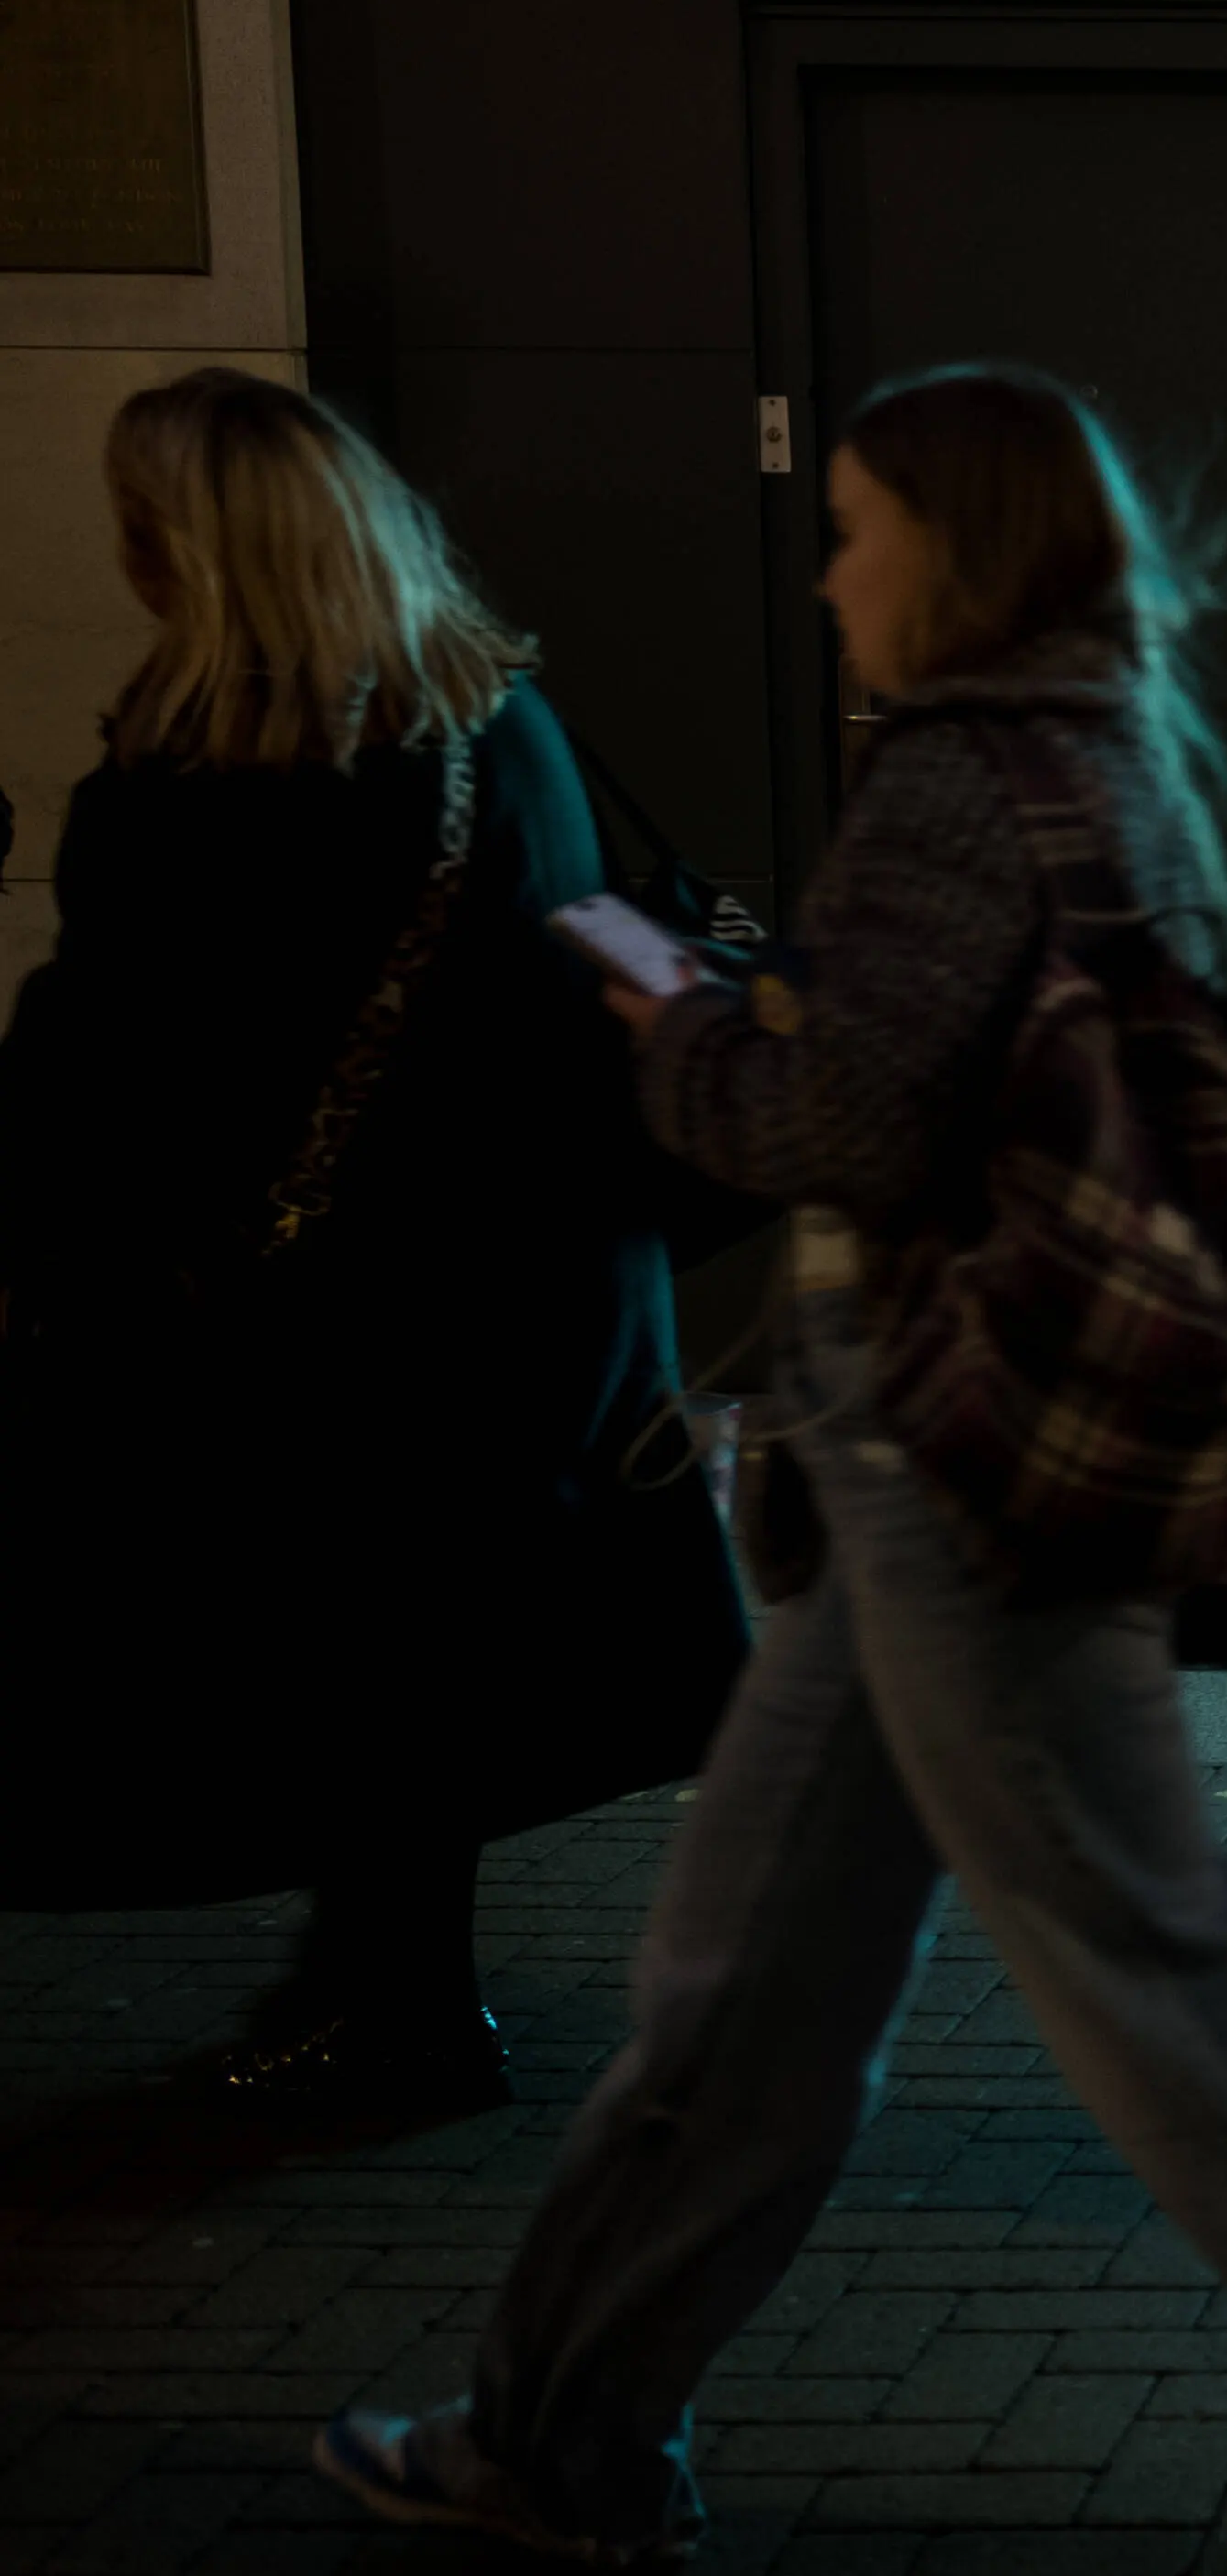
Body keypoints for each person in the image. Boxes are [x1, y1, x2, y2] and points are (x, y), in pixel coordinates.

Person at [311, 365, 1227, 2576]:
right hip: (937, 1474)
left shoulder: (950, 781)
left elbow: (831, 1128)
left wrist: (668, 1014)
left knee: (1151, 1974)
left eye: (853, 528)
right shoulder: (1111, 751)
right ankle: (558, 2440)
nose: (826, 571)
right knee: (740, 1989)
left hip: (968, 1481)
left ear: (953, 547)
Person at [0, 367, 744, 2116]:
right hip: (534, 1290)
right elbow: (587, 968)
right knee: (427, 1646)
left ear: (184, 546)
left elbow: (115, 1063)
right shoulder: (498, 725)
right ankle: (394, 1988)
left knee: (334, 1644)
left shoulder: (188, 784)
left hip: (316, 1308)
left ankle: (391, 2005)